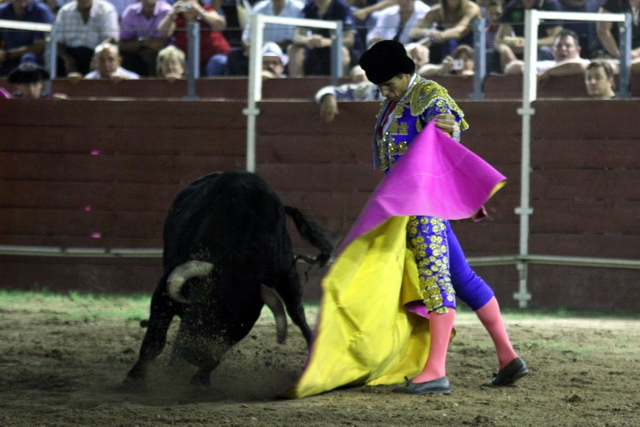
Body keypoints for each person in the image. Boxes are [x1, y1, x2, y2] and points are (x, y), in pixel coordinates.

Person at [288, 40, 527, 398]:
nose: (383, 91)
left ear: (405, 73)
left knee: (435, 281)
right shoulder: (393, 102)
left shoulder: (428, 92)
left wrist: (449, 128)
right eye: (380, 86)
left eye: (388, 84)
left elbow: (449, 124)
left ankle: (435, 372)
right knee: (462, 278)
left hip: (422, 203)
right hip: (409, 202)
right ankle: (508, 358)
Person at [222, 0, 305, 76]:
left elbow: (293, 40)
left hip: (284, 52)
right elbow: (246, 38)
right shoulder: (259, 8)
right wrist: (250, 47)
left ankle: (295, 89)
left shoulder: (298, 8)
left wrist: (265, 45)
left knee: (296, 52)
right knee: (234, 54)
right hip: (259, 51)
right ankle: (237, 89)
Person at [157, 0, 231, 76]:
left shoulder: (205, 9)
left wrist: (201, 12)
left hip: (214, 55)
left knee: (217, 62)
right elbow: (164, 33)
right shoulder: (177, 17)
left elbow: (221, 25)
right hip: (189, 59)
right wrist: (172, 13)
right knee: (179, 65)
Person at [287, 0, 356, 77]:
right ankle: (297, 85)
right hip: (314, 49)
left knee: (342, 51)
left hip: (333, 50)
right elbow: (297, 37)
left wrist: (325, 42)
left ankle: (341, 87)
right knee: (293, 50)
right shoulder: (309, 7)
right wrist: (308, 40)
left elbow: (349, 41)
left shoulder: (341, 7)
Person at [494, 0, 563, 72]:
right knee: (495, 54)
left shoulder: (549, 4)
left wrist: (530, 43)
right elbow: (499, 39)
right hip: (520, 48)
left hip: (542, 48)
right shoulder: (512, 6)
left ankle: (538, 79)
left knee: (543, 51)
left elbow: (556, 38)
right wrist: (505, 50)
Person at [55, 0, 120, 76]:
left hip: (95, 52)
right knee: (55, 61)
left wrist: (96, 59)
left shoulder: (106, 9)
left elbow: (110, 38)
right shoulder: (64, 11)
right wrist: (67, 60)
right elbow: (57, 41)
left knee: (105, 60)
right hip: (70, 54)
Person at [408, 0, 482, 65]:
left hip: (467, 46)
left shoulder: (471, 8)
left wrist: (434, 38)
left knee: (450, 41)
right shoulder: (436, 11)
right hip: (441, 43)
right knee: (414, 42)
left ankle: (447, 71)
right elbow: (413, 32)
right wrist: (428, 32)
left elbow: (459, 31)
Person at [0, 0, 55, 76]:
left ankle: (27, 85)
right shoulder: (2, 11)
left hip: (33, 58)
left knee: (28, 58)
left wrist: (8, 54)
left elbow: (40, 46)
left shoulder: (41, 12)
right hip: (6, 58)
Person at [504, 28, 589, 77]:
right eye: (559, 46)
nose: (563, 49)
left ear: (578, 50)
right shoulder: (548, 65)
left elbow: (580, 66)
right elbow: (509, 67)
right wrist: (525, 68)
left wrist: (548, 73)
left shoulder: (586, 63)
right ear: (552, 50)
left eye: (568, 46)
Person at [118, 0, 173, 77]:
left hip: (159, 55)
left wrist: (139, 45)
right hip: (137, 55)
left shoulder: (167, 11)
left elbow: (160, 44)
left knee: (157, 56)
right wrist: (142, 42)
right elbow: (123, 43)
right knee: (126, 57)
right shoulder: (131, 11)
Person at [366, 0, 431, 47]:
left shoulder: (426, 12)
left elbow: (430, 37)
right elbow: (374, 33)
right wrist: (374, 39)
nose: (406, 1)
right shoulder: (387, 13)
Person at [596, 0, 640, 66]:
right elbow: (603, 32)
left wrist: (636, 53)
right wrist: (620, 55)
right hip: (609, 54)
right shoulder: (613, 3)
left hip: (636, 55)